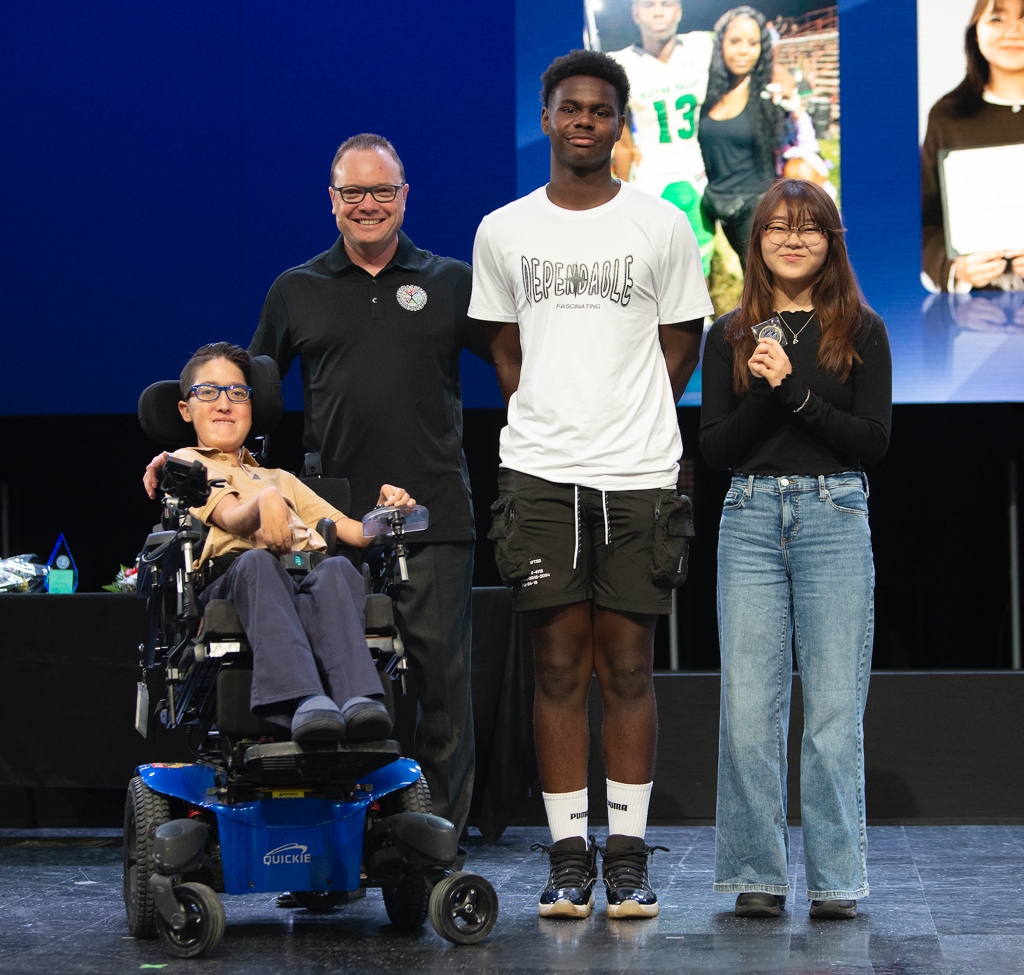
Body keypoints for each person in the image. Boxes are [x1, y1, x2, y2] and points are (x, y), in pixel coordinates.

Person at [145, 134, 481, 837]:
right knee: (340, 682)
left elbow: (521, 365)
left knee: (441, 692)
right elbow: (241, 397)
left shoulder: (451, 281)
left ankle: (436, 841)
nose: (368, 205)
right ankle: (333, 841)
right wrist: (190, 467)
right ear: (331, 201)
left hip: (431, 515)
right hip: (328, 524)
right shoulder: (295, 289)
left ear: (405, 196)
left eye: (382, 191)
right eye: (352, 192)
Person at [469, 50, 713, 919]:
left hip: (641, 474)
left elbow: (682, 340)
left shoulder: (662, 226)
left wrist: (624, 410)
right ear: (547, 118)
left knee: (630, 667)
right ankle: (569, 858)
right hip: (539, 474)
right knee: (557, 665)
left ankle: (629, 859)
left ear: (620, 123)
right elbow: (502, 346)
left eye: (600, 111)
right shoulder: (503, 229)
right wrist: (553, 412)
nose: (583, 121)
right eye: (569, 108)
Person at [699, 179, 891, 920]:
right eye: (777, 228)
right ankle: (756, 871)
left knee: (835, 709)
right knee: (749, 707)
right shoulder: (732, 332)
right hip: (749, 515)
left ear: (831, 241)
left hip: (834, 511)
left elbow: (872, 442)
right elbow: (715, 448)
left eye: (808, 228)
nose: (792, 239)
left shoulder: (861, 330)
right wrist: (758, 392)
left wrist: (794, 393)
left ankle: (838, 878)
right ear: (757, 241)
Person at [172, 342, 414, 742]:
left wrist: (388, 515)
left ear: (252, 407)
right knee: (258, 564)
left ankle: (358, 700)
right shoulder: (188, 464)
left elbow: (351, 529)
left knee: (338, 567)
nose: (224, 403)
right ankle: (301, 700)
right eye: (208, 392)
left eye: (237, 392)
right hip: (237, 578)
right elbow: (230, 514)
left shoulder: (280, 478)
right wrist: (263, 505)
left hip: (303, 573)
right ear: (186, 409)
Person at [921, 0, 1024, 292]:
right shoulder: (947, 116)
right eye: (997, 20)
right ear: (974, 33)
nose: (1014, 31)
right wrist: (954, 270)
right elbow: (924, 219)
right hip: (972, 319)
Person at [608, 0, 716, 274]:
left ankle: (698, 317)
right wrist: (620, 187)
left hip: (696, 171)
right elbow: (621, 137)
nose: (657, 11)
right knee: (649, 262)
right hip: (650, 176)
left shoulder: (702, 46)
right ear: (635, 13)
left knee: (700, 255)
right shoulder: (620, 63)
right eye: (648, 5)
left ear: (679, 10)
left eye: (666, 3)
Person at [698, 6, 788, 269]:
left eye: (753, 42)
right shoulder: (707, 92)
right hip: (717, 206)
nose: (743, 50)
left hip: (757, 209)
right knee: (749, 280)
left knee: (767, 286)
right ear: (721, 44)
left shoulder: (769, 92)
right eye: (735, 41)